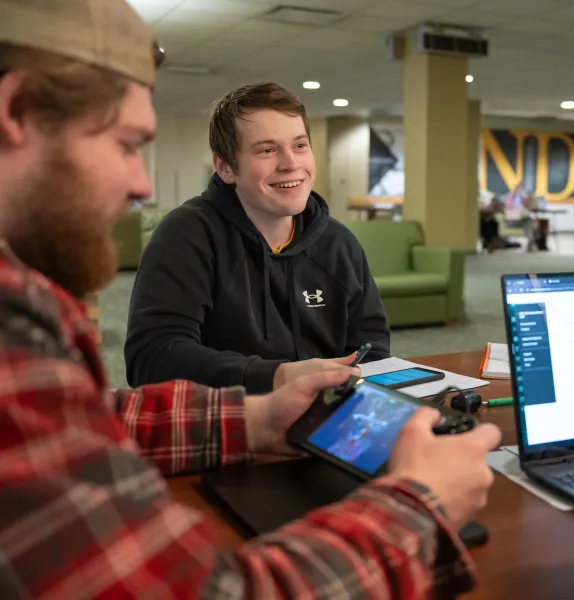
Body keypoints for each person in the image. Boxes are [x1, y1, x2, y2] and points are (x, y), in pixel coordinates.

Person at [0, 1, 502, 597]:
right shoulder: (25, 323)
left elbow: (95, 418)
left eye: (299, 145)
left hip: (305, 438)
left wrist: (259, 420)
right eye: (126, 143)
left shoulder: (338, 243)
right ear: (16, 111)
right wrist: (418, 506)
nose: (142, 184)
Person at [125, 82, 389, 394]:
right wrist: (277, 376)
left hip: (329, 412)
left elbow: (373, 356)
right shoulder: (186, 235)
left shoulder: (339, 243)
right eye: (267, 150)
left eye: (300, 145)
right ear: (225, 167)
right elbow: (151, 359)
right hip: (231, 416)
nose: (291, 164)